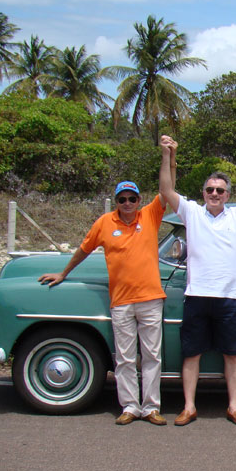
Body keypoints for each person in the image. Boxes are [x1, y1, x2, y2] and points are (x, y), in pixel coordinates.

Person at [38, 145, 174, 426]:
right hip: (121, 301)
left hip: (150, 298)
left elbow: (167, 187)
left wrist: (167, 156)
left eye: (132, 198)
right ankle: (129, 407)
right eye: (122, 199)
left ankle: (151, 407)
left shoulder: (150, 215)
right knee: (124, 358)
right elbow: (83, 250)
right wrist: (64, 273)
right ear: (116, 201)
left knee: (151, 356)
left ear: (139, 199)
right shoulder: (104, 223)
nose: (127, 203)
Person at [158, 137, 236, 427]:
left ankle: (234, 406)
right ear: (203, 193)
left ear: (227, 195)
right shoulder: (191, 212)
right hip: (197, 295)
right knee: (191, 354)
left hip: (229, 298)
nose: (215, 193)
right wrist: (167, 156)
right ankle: (189, 406)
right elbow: (166, 190)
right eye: (210, 189)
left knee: (232, 354)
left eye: (220, 190)